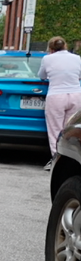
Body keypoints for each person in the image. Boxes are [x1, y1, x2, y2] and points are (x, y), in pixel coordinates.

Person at [39, 36, 81, 170]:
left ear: (51, 48)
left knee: (55, 129)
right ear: (65, 46)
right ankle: (71, 160)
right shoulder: (77, 58)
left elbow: (42, 76)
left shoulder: (47, 59)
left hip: (56, 95)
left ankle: (56, 162)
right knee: (69, 129)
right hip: (75, 95)